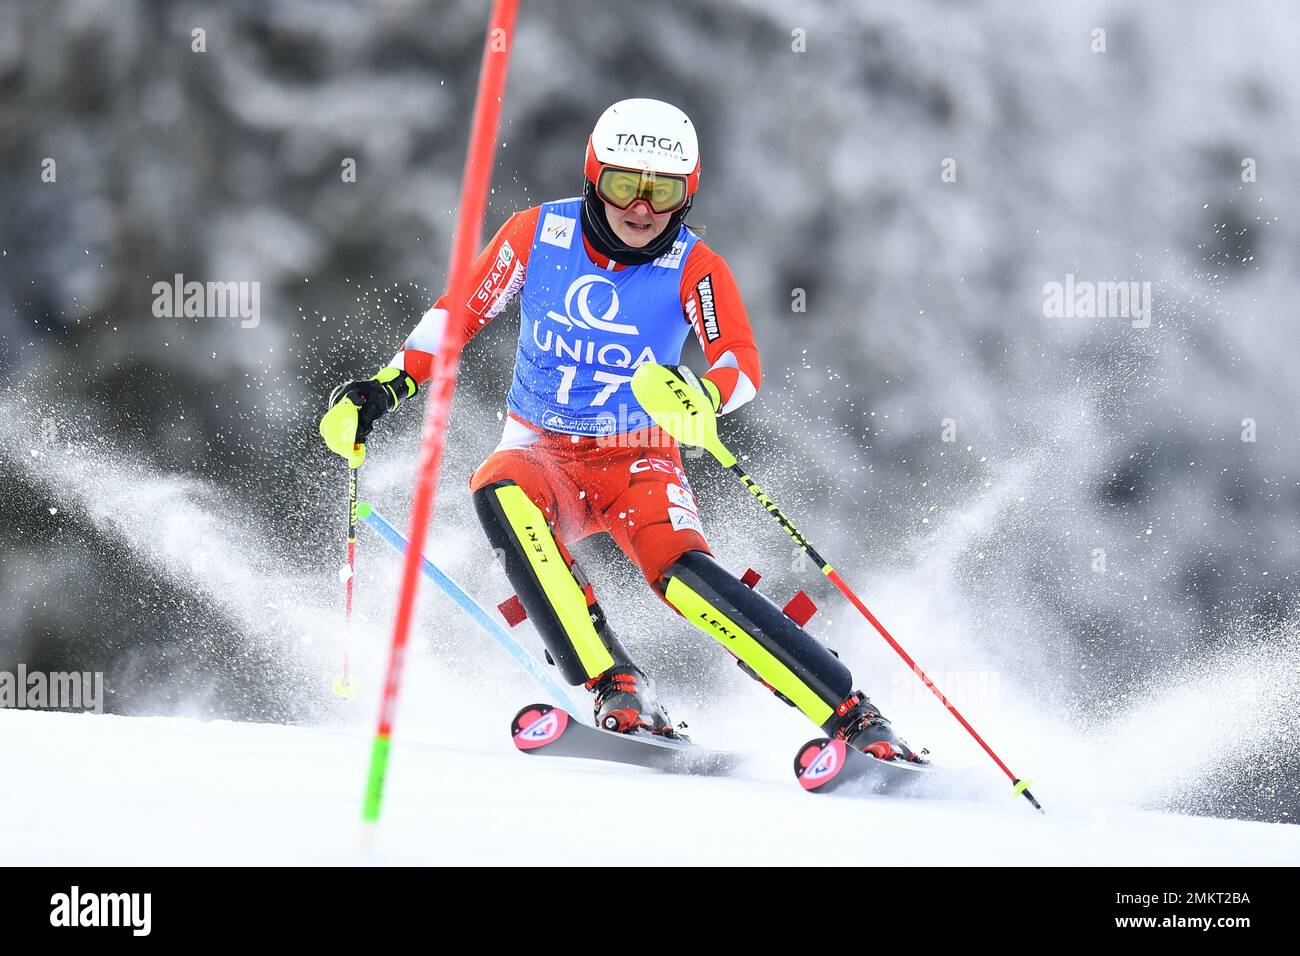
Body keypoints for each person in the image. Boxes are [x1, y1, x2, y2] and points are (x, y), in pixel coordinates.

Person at [319, 98, 919, 760]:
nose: (640, 208)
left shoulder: (694, 266)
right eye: (622, 185)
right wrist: (383, 387)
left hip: (637, 455)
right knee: (500, 490)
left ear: (685, 196)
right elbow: (457, 316)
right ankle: (616, 684)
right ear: (592, 178)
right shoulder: (535, 235)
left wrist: (702, 395)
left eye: (662, 192)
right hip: (539, 448)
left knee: (685, 577)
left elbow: (739, 364)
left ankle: (851, 716)